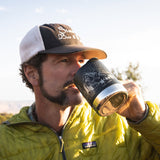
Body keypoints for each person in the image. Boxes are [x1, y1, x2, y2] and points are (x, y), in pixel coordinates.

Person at [0, 23, 160, 160]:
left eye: (81, 61)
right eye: (64, 60)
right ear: (32, 74)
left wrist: (144, 117)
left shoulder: (118, 124)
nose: (79, 70)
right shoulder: (6, 141)